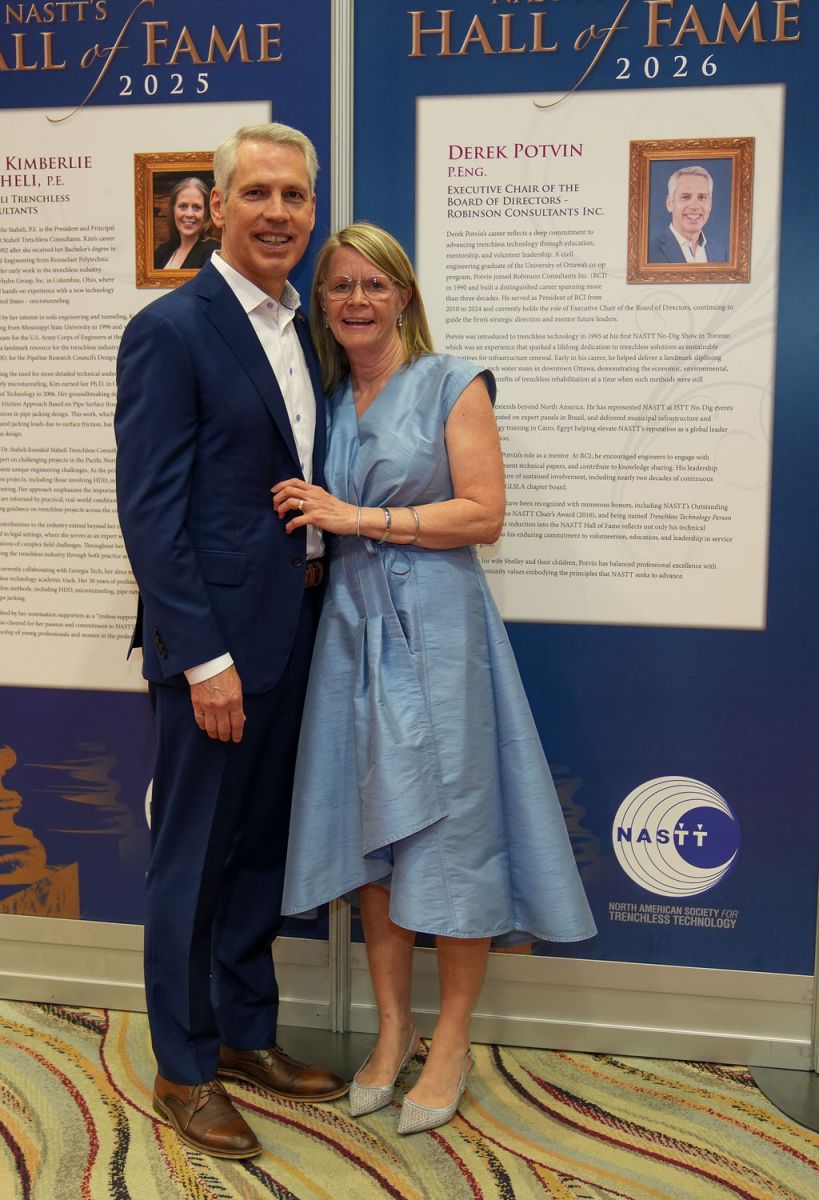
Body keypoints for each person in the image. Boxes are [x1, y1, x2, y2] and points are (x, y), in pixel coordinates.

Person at [273, 223, 596, 1136]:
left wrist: (360, 518)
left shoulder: (453, 381)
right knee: (375, 831)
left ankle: (451, 1037)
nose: (356, 301)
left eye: (374, 284)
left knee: (454, 830)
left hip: (441, 630)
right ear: (321, 302)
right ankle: (393, 1030)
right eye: (339, 286)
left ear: (404, 296)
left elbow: (484, 513)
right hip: (351, 630)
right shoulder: (324, 400)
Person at [115, 123, 347, 1161]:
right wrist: (204, 659)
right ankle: (183, 1066)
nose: (277, 212)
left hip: (296, 633)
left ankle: (246, 1034)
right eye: (256, 192)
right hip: (214, 655)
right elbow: (150, 514)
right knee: (192, 861)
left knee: (257, 852)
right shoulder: (172, 329)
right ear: (214, 205)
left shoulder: (302, 327)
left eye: (294, 195)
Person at [648, 165, 728, 264]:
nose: (695, 206)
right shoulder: (649, 253)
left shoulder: (720, 254)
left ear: (710, 204)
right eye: (685, 197)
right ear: (670, 203)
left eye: (702, 197)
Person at [153, 176, 221, 270]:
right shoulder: (162, 252)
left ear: (206, 213)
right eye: (183, 206)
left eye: (197, 207)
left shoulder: (213, 252)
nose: (189, 214)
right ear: (173, 210)